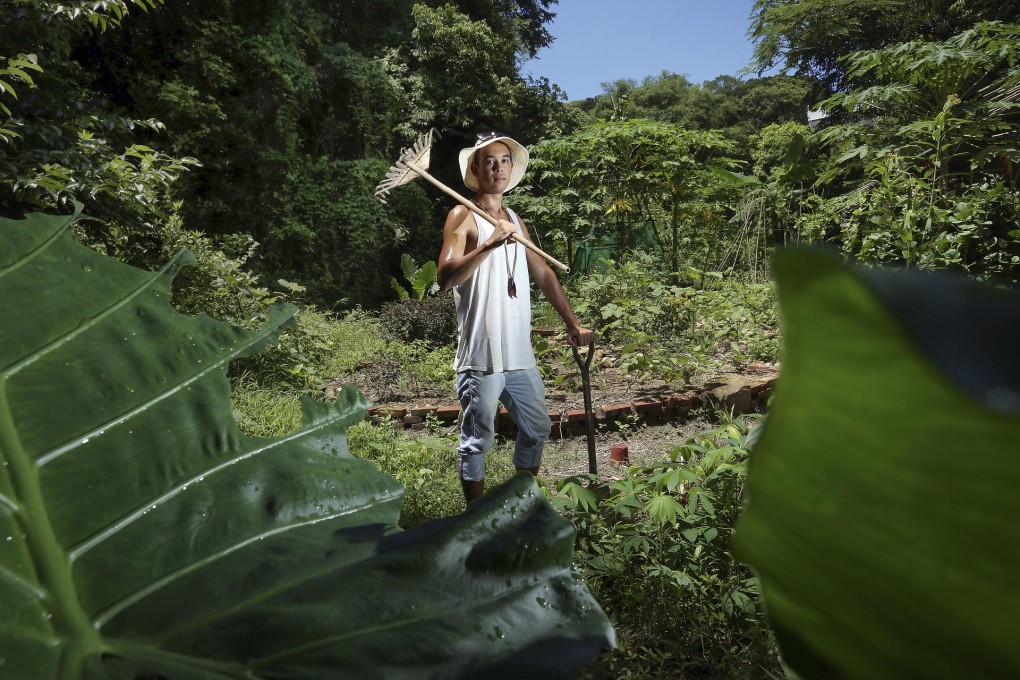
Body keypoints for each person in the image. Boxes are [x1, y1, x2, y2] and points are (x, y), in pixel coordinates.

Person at [437, 131, 594, 506]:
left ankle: (520, 505)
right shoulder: (462, 215)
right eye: (489, 161)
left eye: (504, 160)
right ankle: (476, 518)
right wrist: (490, 243)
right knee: (478, 440)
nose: (498, 167)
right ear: (476, 169)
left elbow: (543, 273)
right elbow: (446, 277)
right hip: (482, 353)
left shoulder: (513, 218)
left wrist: (572, 323)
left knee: (537, 428)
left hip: (518, 352)